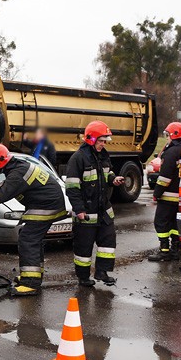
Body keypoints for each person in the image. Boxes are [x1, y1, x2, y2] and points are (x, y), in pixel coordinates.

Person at [0, 144, 66, 296]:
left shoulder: (18, 173)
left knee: (28, 240)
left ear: (0, 160)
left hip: (46, 206)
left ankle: (30, 283)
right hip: (47, 204)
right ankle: (32, 276)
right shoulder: (17, 168)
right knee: (31, 237)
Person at [65, 121, 125, 286]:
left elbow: (108, 173)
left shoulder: (103, 155)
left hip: (103, 210)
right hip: (86, 212)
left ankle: (102, 272)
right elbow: (71, 187)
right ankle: (83, 278)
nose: (103, 144)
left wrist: (114, 179)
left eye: (105, 141)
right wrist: (79, 209)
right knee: (83, 249)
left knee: (108, 243)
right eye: (101, 141)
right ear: (91, 139)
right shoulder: (78, 158)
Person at [148, 122, 181, 261]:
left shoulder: (170, 153)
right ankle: (175, 249)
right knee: (175, 224)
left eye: (168, 135)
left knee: (161, 222)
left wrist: (156, 193)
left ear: (173, 135)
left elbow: (164, 178)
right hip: (180, 196)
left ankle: (164, 251)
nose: (167, 138)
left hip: (167, 196)